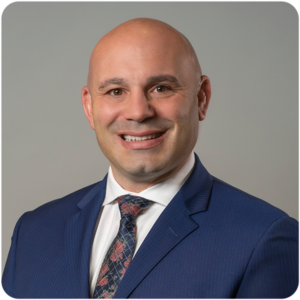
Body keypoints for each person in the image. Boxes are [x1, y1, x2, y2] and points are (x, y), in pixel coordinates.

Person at [1, 18, 300, 300]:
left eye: (161, 88)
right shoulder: (33, 232)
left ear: (201, 98)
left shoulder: (265, 238)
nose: (138, 111)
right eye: (115, 91)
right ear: (90, 107)